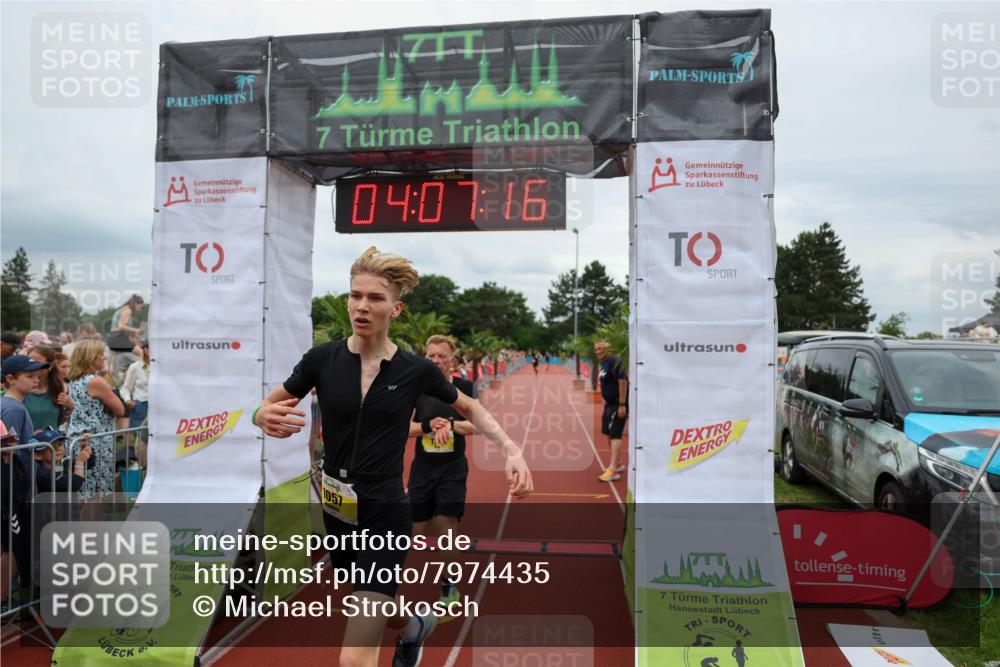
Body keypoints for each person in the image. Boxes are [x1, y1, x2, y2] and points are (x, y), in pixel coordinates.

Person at [253, 247, 532, 667]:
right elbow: (269, 404)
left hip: (384, 509)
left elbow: (469, 408)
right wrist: (260, 415)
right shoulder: (320, 360)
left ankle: (407, 630)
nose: (362, 306)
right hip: (337, 510)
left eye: (375, 298)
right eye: (355, 295)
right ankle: (415, 625)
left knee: (354, 656)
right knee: (374, 606)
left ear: (395, 308)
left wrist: (512, 450)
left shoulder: (415, 370)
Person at [407, 335, 477, 605]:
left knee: (447, 526)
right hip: (423, 468)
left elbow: (479, 424)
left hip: (453, 468)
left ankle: (450, 586)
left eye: (441, 356)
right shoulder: (417, 391)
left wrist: (449, 424)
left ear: (452, 361)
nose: (436, 360)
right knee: (420, 528)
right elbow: (403, 428)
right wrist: (427, 426)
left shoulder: (464, 388)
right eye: (431, 356)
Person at [67, 339, 125, 499]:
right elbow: (120, 409)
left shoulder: (74, 380)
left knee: (84, 490)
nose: (104, 359)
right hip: (96, 442)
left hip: (78, 439)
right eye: (101, 355)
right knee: (94, 494)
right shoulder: (95, 381)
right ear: (91, 357)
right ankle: (93, 524)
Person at [594, 340, 628, 482]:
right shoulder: (604, 362)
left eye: (601, 348)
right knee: (608, 432)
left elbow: (623, 382)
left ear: (608, 349)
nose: (598, 351)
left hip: (618, 403)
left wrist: (621, 404)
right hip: (609, 404)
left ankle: (613, 470)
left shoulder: (615, 361)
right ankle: (618, 463)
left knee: (615, 434)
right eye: (596, 349)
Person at [24, 346, 73, 431]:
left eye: (37, 363)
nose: (32, 367)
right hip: (28, 443)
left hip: (51, 442)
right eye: (29, 363)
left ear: (51, 365)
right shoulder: (22, 389)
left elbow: (57, 421)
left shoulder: (58, 387)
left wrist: (69, 409)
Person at [120, 340, 150, 466]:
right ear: (144, 349)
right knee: (141, 442)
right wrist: (128, 400)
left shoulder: (161, 366)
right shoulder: (135, 367)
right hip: (141, 405)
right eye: (149, 347)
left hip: (157, 406)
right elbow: (125, 387)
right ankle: (141, 468)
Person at [108, 294, 145, 376]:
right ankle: (143, 373)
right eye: (140, 307)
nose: (140, 310)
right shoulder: (128, 310)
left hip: (114, 338)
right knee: (141, 352)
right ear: (135, 304)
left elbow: (120, 327)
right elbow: (121, 326)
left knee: (116, 361)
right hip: (118, 338)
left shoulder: (122, 309)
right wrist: (136, 330)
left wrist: (134, 334)